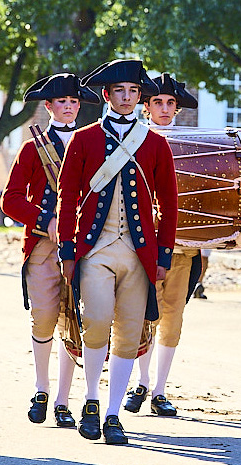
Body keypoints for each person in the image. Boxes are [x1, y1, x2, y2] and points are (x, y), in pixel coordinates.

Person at [56, 59, 178, 445]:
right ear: (107, 96)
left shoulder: (155, 143)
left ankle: (112, 414)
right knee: (95, 321)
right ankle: (91, 399)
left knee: (128, 333)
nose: (127, 98)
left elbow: (169, 203)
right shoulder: (85, 139)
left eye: (134, 92)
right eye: (120, 92)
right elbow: (67, 196)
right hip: (95, 250)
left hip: (138, 254)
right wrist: (67, 249)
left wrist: (164, 257)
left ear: (140, 98)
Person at [1, 72, 100, 429]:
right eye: (62, 102)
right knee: (44, 316)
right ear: (48, 106)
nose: (69, 107)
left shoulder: (93, 144)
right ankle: (40, 389)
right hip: (43, 245)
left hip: (84, 247)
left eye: (74, 102)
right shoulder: (32, 148)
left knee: (75, 321)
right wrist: (47, 219)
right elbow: (10, 201)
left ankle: (62, 400)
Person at [124, 72, 200, 418]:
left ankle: (159, 389)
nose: (166, 109)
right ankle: (140, 382)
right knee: (143, 313)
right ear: (146, 106)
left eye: (171, 103)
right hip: (144, 244)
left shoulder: (194, 143)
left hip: (183, 245)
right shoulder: (135, 139)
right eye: (159, 102)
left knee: (173, 316)